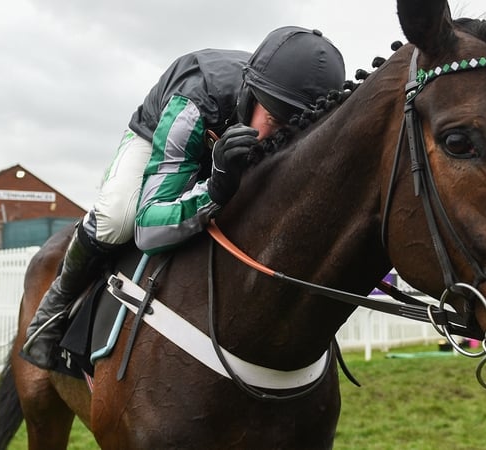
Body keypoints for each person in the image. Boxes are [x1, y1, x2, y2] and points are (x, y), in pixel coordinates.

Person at [20, 26, 346, 370]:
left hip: (222, 131)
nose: (279, 139)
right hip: (160, 131)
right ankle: (52, 309)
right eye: (276, 121)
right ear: (252, 97)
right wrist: (216, 188)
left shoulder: (279, 113)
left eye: (293, 130)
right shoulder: (192, 103)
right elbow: (148, 229)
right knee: (118, 219)